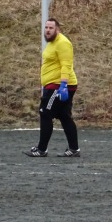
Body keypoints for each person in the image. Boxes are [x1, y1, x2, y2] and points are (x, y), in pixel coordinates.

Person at [23, 18, 80, 158]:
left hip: (59, 85)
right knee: (64, 116)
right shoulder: (52, 43)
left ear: (57, 29)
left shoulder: (63, 43)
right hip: (54, 84)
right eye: (46, 28)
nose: (47, 30)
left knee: (45, 113)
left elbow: (66, 64)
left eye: (51, 28)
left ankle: (41, 150)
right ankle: (74, 149)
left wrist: (63, 85)